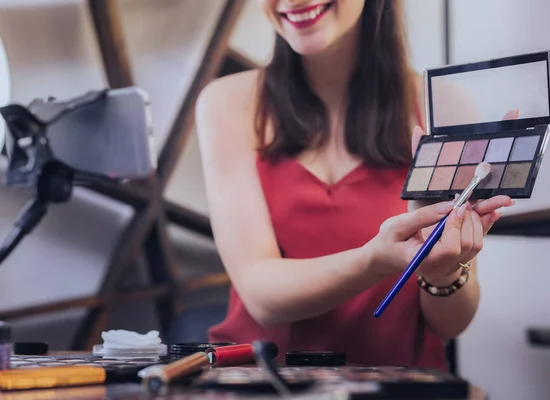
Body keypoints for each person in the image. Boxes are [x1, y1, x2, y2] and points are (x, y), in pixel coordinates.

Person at [194, 0, 513, 370]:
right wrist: (374, 259)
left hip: (396, 384)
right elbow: (262, 297)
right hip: (260, 382)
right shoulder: (227, 102)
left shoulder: (442, 105)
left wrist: (441, 271)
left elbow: (449, 324)